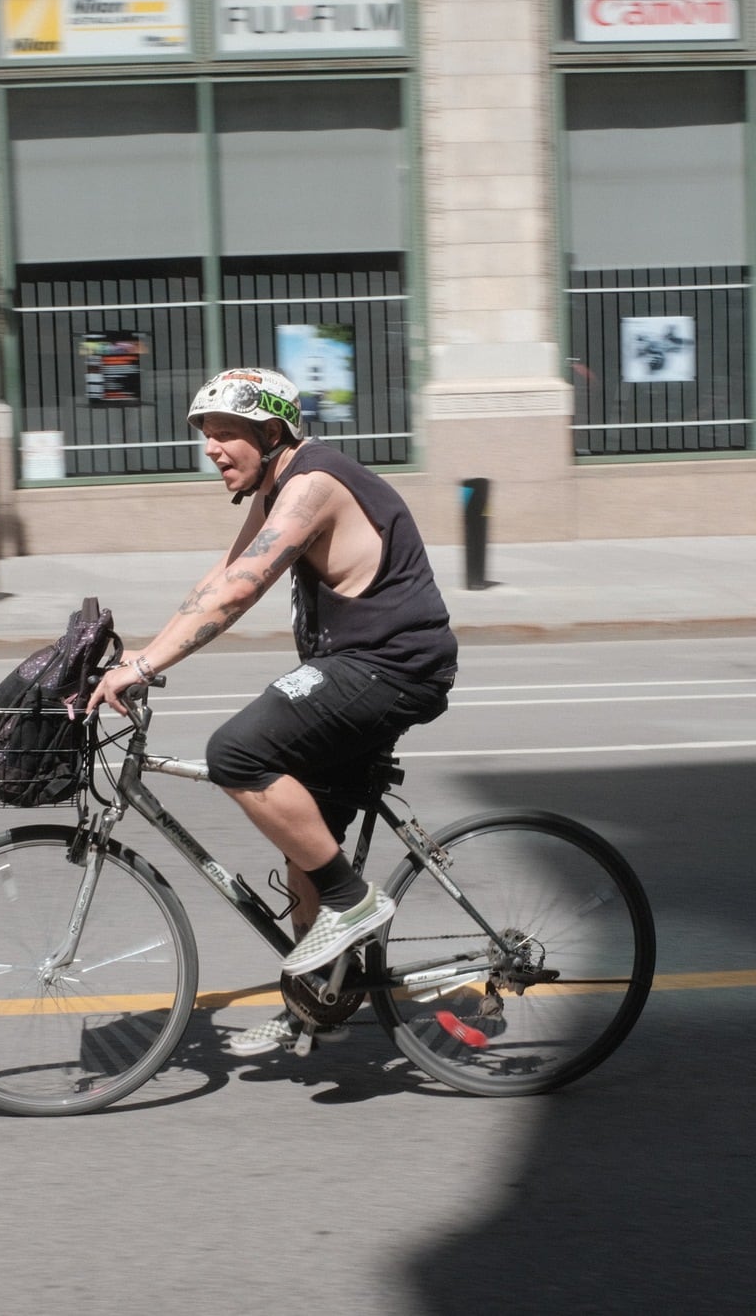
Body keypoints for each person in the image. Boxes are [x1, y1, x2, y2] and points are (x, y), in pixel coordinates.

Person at [83, 368, 459, 1057]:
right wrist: (144, 651)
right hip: (357, 665)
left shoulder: (310, 485)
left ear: (272, 432)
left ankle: (355, 901)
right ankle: (318, 1006)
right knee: (302, 841)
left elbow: (243, 591)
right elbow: (219, 580)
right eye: (206, 436)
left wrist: (144, 669)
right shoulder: (280, 485)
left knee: (236, 753)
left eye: (227, 434)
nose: (213, 449)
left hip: (391, 665)